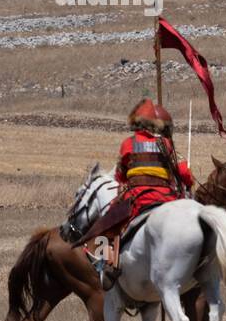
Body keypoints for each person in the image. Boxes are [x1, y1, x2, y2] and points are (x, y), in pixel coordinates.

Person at [76, 98, 196, 286]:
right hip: (166, 198)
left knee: (109, 222)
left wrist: (125, 183)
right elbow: (181, 173)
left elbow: (120, 174)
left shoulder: (128, 144)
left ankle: (108, 265)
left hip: (138, 198)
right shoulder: (166, 144)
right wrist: (188, 181)